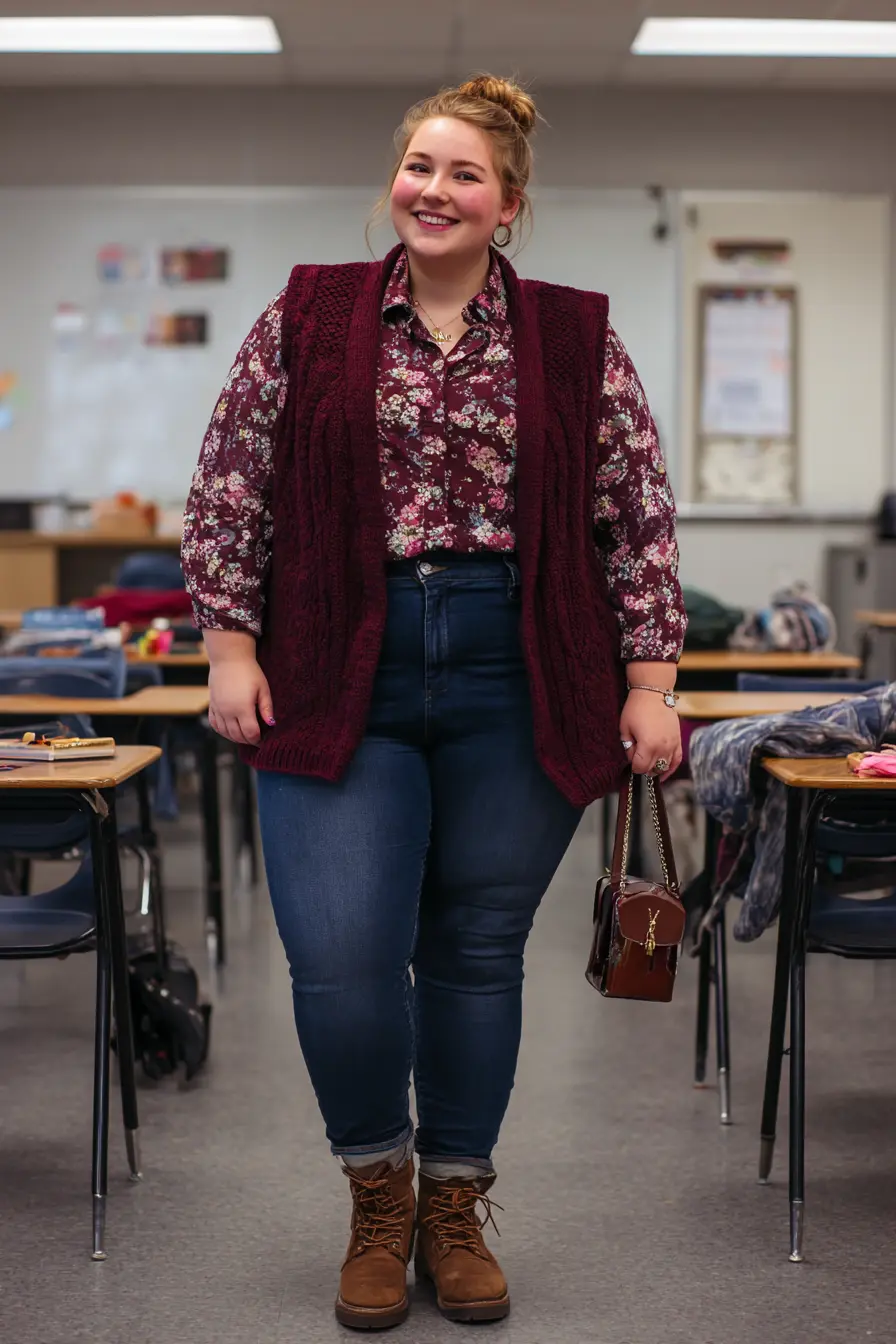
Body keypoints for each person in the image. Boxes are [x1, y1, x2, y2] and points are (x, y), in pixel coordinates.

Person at [182, 73, 686, 1331]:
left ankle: (453, 1202)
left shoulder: (572, 336)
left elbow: (635, 512)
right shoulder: (308, 315)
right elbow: (230, 478)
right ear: (392, 181)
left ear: (506, 205)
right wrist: (228, 647)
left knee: (470, 954)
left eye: (465, 173)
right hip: (333, 654)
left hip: (519, 666)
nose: (434, 189)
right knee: (342, 956)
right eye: (419, 165)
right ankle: (375, 1190)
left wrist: (651, 682)